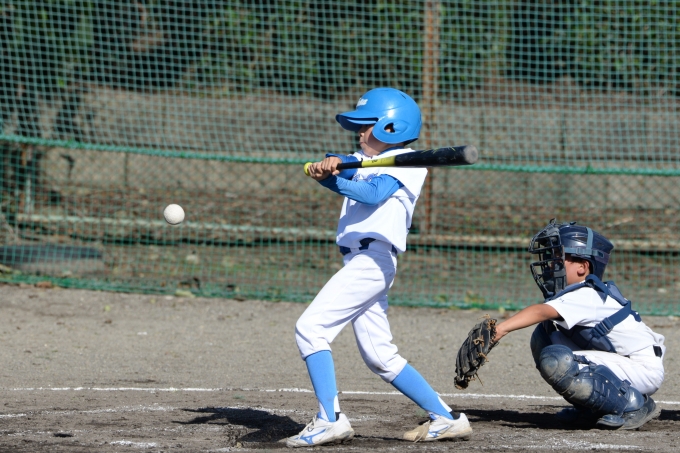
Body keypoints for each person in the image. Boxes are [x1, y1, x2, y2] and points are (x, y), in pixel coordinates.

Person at [285, 87, 472, 447]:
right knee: (380, 356)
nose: (359, 132)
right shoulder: (363, 160)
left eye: (366, 126)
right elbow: (348, 162)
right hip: (360, 260)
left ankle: (329, 420)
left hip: (373, 261)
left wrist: (330, 178)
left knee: (310, 328)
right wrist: (331, 162)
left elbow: (372, 193)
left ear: (391, 127)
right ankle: (447, 419)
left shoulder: (409, 163)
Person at [493, 219, 665, 430]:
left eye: (558, 259)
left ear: (583, 267)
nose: (550, 265)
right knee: (544, 336)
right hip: (623, 362)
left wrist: (499, 329)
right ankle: (594, 407)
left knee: (558, 361)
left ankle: (633, 405)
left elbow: (540, 311)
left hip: (641, 369)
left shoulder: (587, 295)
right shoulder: (578, 293)